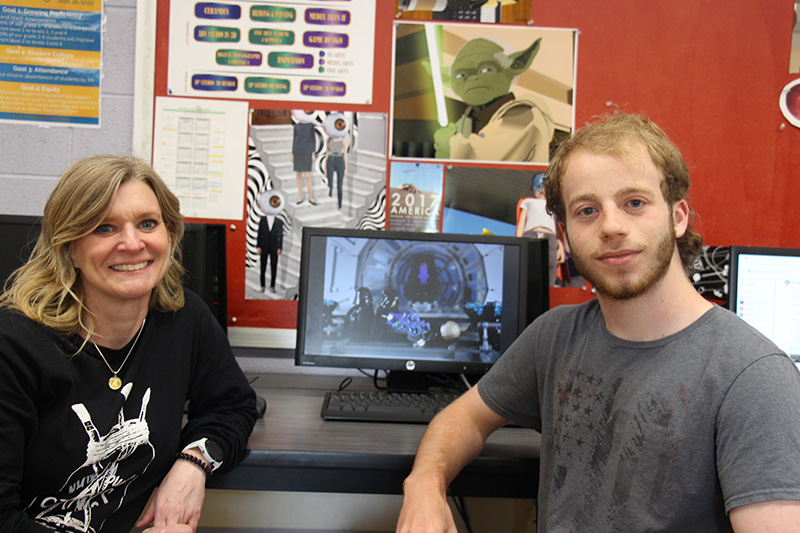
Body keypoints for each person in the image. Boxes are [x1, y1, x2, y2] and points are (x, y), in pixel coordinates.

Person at [397, 113, 800, 532]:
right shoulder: (555, 336)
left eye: (635, 203)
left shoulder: (754, 377)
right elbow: (465, 417)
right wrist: (425, 483)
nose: (611, 226)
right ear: (566, 234)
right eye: (587, 210)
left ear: (678, 217)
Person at [0, 155, 259, 532]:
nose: (132, 243)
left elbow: (232, 405)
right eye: (104, 228)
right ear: (69, 248)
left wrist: (193, 463)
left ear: (169, 234)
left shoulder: (184, 319)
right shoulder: (15, 346)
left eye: (148, 224)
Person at [516, 172, 565, 286]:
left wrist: (560, 246)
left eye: (546, 187)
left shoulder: (553, 205)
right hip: (531, 235)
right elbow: (521, 223)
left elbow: (556, 225)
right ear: (532, 189)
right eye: (538, 187)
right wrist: (518, 242)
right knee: (529, 264)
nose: (542, 191)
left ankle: (549, 290)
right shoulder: (527, 202)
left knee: (551, 265)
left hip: (550, 238)